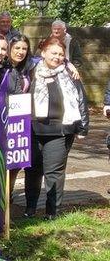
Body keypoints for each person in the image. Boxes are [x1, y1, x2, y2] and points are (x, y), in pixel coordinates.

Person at [24, 37, 89, 219]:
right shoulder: (30, 71)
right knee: (33, 170)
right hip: (33, 130)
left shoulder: (70, 74)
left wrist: (83, 127)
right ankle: (30, 208)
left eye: (61, 54)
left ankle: (52, 211)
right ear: (43, 53)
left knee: (54, 173)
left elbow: (81, 99)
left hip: (60, 130)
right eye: (54, 53)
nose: (58, 57)